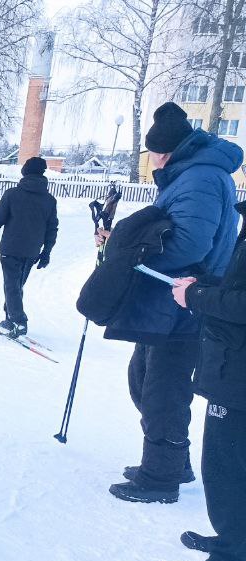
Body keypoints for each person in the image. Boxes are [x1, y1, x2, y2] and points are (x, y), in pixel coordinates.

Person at [102, 102, 242, 504]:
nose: (151, 160)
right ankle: (173, 461)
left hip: (185, 297)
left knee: (163, 387)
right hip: (171, 295)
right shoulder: (191, 175)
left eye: (152, 153)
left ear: (164, 152)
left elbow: (190, 244)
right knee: (144, 378)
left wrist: (133, 259)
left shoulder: (200, 178)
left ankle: (160, 478)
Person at [159, 204, 246, 561]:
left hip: (238, 373)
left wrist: (196, 295)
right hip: (234, 364)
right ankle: (235, 543)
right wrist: (207, 284)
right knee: (233, 466)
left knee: (226, 468)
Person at [0, 156, 58, 337]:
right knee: (16, 286)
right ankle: (10, 319)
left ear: (25, 172)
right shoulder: (49, 200)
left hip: (11, 248)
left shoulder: (12, 194)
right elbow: (52, 229)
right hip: (32, 252)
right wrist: (46, 253)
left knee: (11, 285)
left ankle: (19, 321)